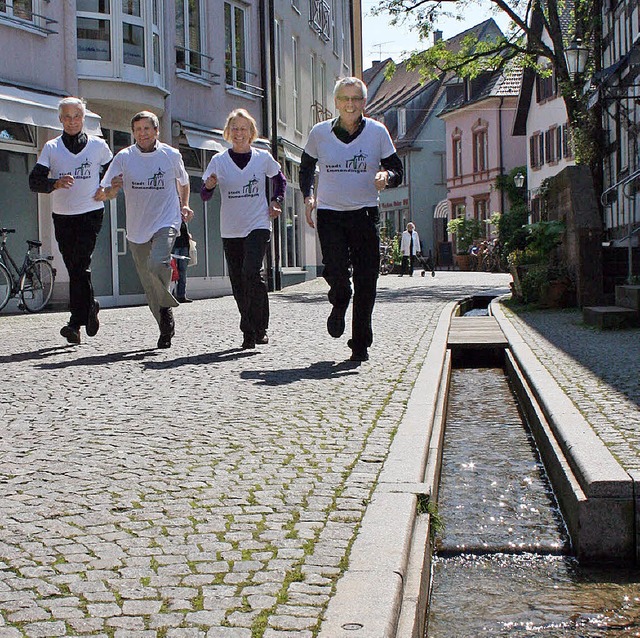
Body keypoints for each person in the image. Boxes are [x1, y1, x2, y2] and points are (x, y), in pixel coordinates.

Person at [300, 76, 403, 362]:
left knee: (367, 279)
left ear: (363, 103)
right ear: (336, 103)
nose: (350, 104)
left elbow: (397, 169)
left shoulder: (377, 132)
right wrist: (309, 196)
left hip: (365, 213)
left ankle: (360, 343)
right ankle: (339, 300)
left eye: (356, 98)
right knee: (337, 275)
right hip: (330, 215)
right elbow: (306, 168)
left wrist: (387, 176)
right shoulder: (320, 133)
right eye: (345, 99)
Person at [96, 111, 193, 349]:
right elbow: (104, 192)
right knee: (148, 283)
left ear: (156, 131)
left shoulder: (171, 155)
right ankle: (164, 321)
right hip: (137, 226)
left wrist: (185, 204)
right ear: (133, 133)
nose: (142, 133)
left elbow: (183, 182)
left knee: (158, 263)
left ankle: (165, 309)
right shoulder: (124, 157)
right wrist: (113, 190)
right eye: (138, 129)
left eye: (147, 129)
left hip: (166, 220)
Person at [29, 97, 113, 345]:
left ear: (83, 118)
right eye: (67, 117)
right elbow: (34, 181)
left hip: (90, 212)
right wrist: (55, 183)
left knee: (80, 263)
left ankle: (74, 323)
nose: (72, 121)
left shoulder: (98, 146)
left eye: (77, 116)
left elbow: (115, 174)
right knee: (75, 267)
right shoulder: (51, 147)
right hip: (63, 216)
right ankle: (90, 306)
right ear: (60, 119)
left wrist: (106, 189)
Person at [201, 108, 285, 349]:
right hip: (231, 228)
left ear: (251, 133)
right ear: (228, 132)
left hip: (258, 223)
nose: (239, 133)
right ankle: (249, 328)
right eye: (235, 129)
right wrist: (209, 185)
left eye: (244, 129)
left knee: (251, 271)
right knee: (238, 281)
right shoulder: (219, 161)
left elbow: (279, 179)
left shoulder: (262, 158)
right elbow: (205, 195)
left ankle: (258, 327)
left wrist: (276, 200)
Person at [172, 220, 193, 303]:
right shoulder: (171, 215)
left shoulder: (183, 218)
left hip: (184, 246)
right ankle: (172, 295)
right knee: (173, 271)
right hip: (174, 245)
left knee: (182, 271)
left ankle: (181, 295)